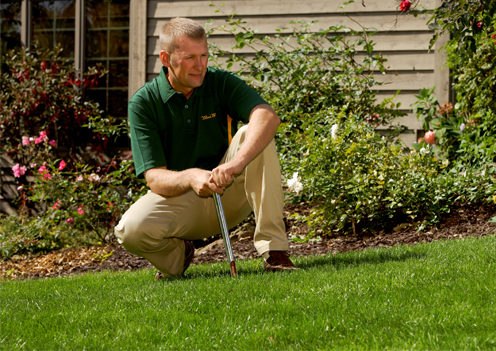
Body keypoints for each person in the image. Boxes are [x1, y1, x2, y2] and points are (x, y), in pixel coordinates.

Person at [114, 17, 298, 279]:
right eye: (190, 57)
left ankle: (275, 251)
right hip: (185, 201)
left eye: (204, 56)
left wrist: (234, 165)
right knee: (130, 230)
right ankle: (179, 256)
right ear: (166, 59)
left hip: (232, 191)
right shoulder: (144, 102)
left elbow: (267, 116)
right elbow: (154, 177)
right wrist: (191, 176)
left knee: (252, 132)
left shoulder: (219, 82)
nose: (200, 66)